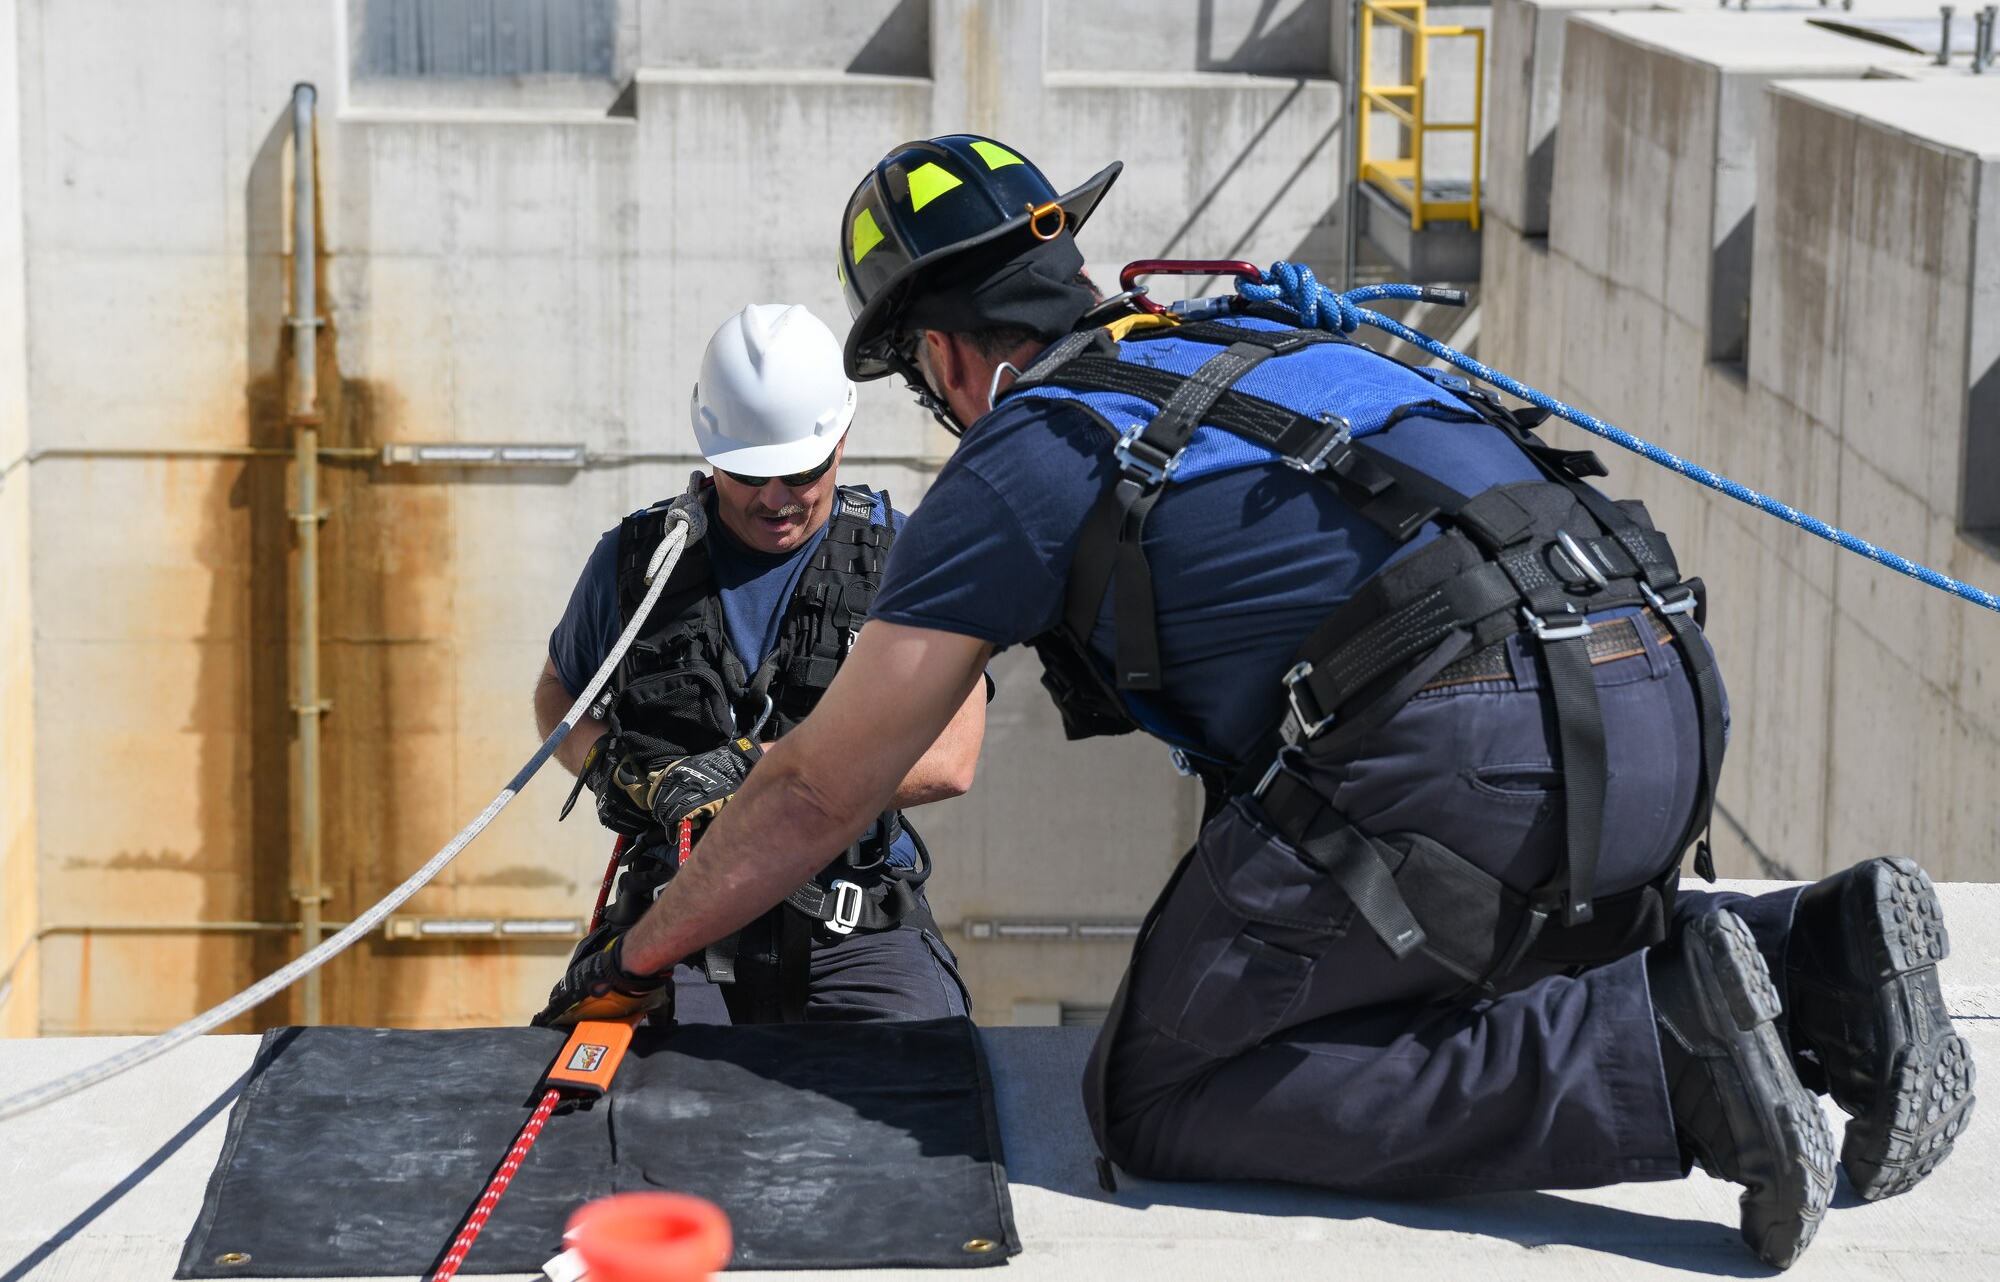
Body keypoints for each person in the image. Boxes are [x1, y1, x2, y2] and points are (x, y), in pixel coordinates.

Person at [533, 136, 1975, 1269]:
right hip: (1658, 693)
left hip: (1470, 744)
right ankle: (1813, 944)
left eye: (921, 377)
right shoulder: (1269, 347)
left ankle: (1666, 1056)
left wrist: (641, 946)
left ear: (946, 352)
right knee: (1433, 938)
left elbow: (812, 789)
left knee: (1165, 1090)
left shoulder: (1026, 450)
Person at [532, 302, 982, 1024]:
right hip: (673, 916)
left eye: (798, 472)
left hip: (851, 922)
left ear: (840, 440)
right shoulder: (638, 561)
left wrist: (754, 769)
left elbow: (951, 758)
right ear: (709, 451)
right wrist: (615, 765)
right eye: (748, 473)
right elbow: (559, 692)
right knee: (608, 1112)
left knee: (928, 1092)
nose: (775, 499)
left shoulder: (911, 559)